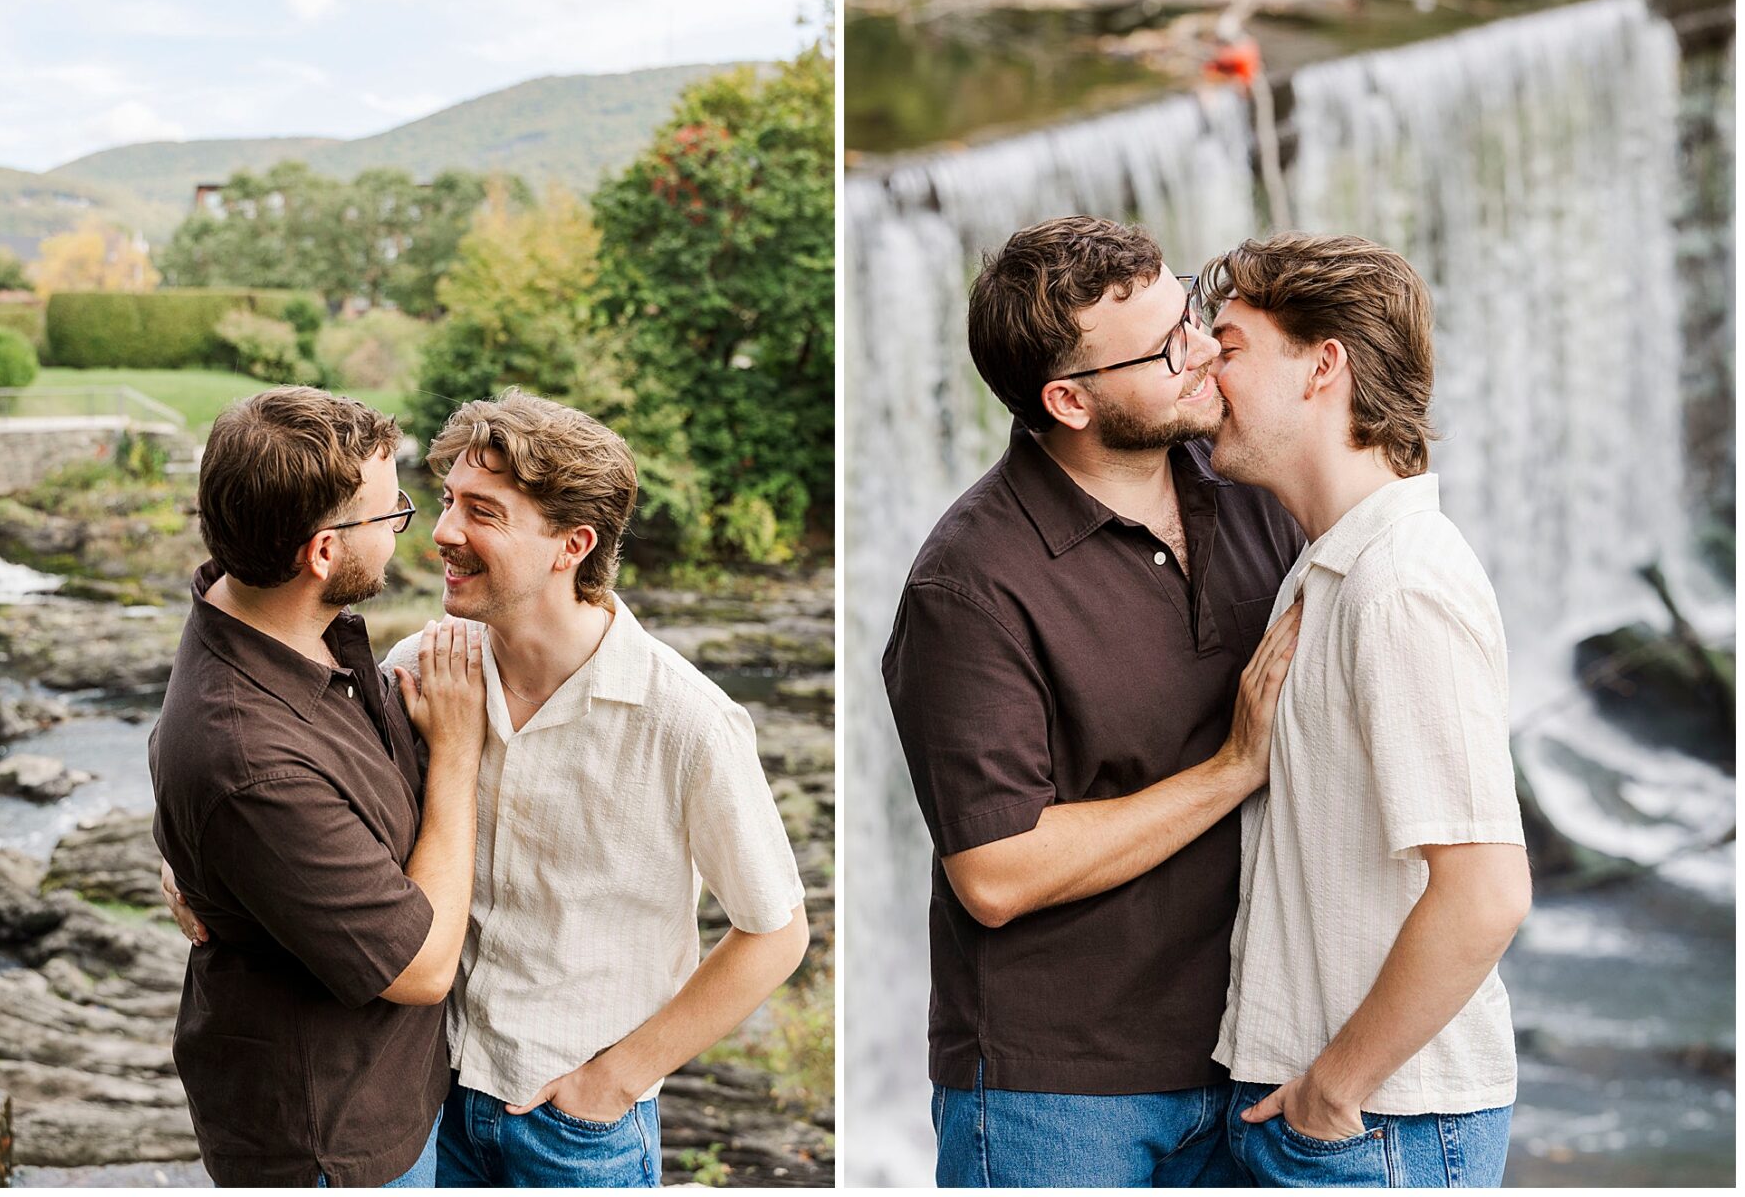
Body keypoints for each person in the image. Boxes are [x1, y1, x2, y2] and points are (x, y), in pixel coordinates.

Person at [881, 217, 1305, 1188]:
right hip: (1061, 1095)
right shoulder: (969, 586)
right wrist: (1234, 766)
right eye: (1166, 348)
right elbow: (995, 871)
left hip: (1259, 1048)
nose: (1203, 351)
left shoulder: (1250, 485)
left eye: (1190, 313)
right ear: (1067, 400)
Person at [382, 393, 809, 1190]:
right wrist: (195, 865)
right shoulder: (422, 664)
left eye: (482, 512)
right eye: (446, 502)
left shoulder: (687, 721)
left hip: (575, 1138)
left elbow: (775, 934)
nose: (442, 532)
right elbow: (310, 788)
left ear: (570, 545)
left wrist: (610, 1084)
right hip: (422, 1103)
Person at [1203, 234, 1533, 1189]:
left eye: (1227, 346)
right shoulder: (1329, 562)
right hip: (1318, 1113)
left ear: (1321, 366)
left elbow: (1484, 891)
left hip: (1374, 1129)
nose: (1201, 371)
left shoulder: (1399, 585)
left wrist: (1332, 1091)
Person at [149, 388, 487, 1188]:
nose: (414, 528)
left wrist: (198, 855)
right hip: (333, 1142)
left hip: (398, 1093)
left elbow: (204, 768)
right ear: (323, 554)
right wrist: (459, 755)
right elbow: (423, 968)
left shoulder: (266, 618)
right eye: (390, 513)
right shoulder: (250, 761)